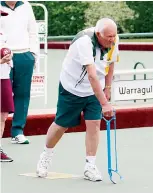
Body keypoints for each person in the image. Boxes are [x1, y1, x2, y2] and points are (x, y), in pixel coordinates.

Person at [36, 18, 119, 181]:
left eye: (114, 36)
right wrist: (105, 103)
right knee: (61, 125)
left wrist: (107, 89)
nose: (112, 39)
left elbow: (111, 65)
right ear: (98, 34)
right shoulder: (84, 42)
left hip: (95, 91)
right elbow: (92, 75)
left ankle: (90, 165)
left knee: (94, 124)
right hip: (72, 88)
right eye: (109, 36)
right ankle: (46, 155)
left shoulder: (114, 40)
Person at [0, 1, 39, 144]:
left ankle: (17, 131)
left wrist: (33, 54)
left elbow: (33, 31)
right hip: (3, 56)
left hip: (24, 55)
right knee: (1, 95)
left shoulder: (26, 6)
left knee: (23, 94)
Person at [0, 10, 14, 162]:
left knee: (2, 115)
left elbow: (7, 53)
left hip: (3, 77)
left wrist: (9, 56)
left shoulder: (3, 35)